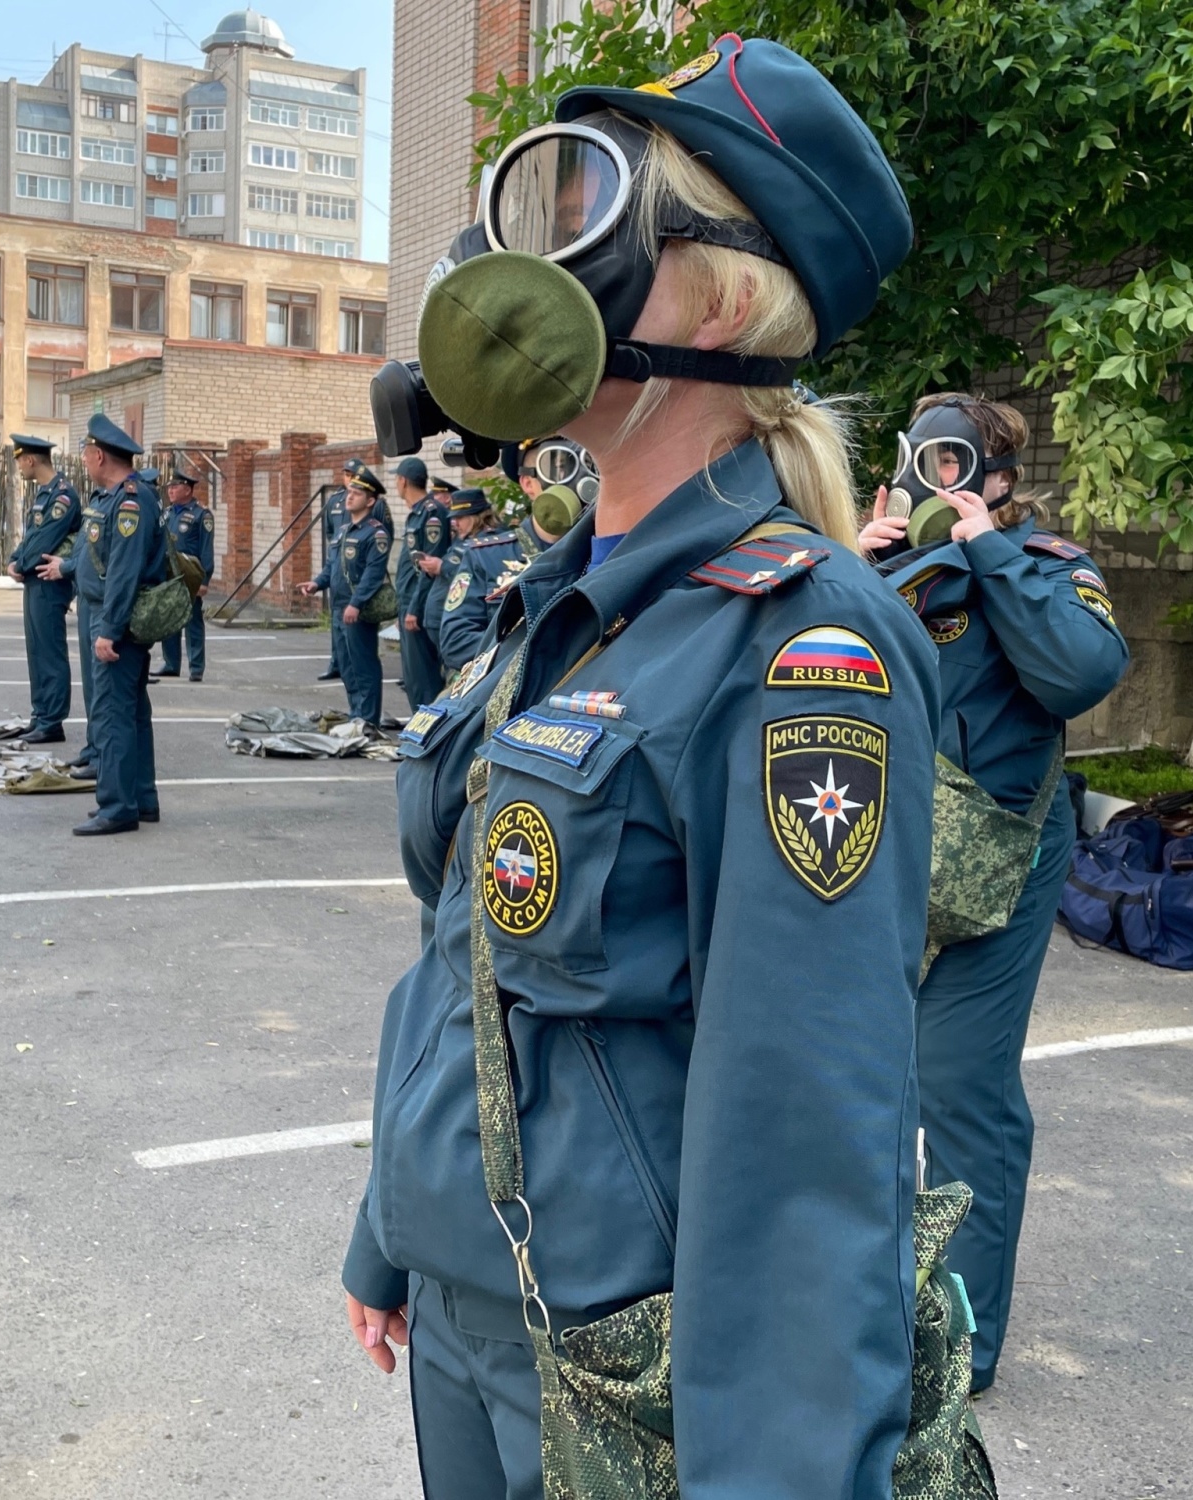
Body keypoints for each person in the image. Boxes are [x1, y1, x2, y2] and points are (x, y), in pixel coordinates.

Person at [341, 37, 946, 1496]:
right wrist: (394, 1222)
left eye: (595, 214)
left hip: (623, 1365)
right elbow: (461, 950)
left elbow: (807, 1143)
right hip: (471, 1311)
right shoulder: (555, 601)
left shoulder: (805, 647)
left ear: (729, 295)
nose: (534, 262)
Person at [861, 392, 1130, 1393]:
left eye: (951, 462)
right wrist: (852, 568)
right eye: (915, 458)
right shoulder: (871, 565)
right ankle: (865, 1297)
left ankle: (956, 1344)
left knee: (959, 1086)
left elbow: (1077, 672)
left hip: (994, 865)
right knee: (852, 1083)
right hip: (867, 859)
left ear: (996, 480)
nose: (929, 478)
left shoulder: (1044, 567)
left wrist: (986, 554)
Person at [67, 415, 165, 834]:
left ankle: (117, 806)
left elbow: (123, 573)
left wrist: (109, 629)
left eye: (87, 453)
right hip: (113, 617)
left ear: (99, 454)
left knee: (112, 715)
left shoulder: (129, 502)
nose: (85, 460)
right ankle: (140, 798)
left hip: (115, 623)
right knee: (131, 712)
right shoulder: (120, 497)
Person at [301, 469, 391, 727]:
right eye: (349, 492)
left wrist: (356, 604)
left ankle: (368, 721)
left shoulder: (375, 533)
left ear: (370, 501)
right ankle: (356, 715)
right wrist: (316, 583)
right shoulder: (342, 531)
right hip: (339, 609)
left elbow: (373, 575)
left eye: (357, 493)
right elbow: (333, 567)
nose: (349, 497)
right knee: (347, 667)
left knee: (363, 666)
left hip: (357, 611)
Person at [7, 435, 81, 746]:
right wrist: (15, 559)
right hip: (35, 579)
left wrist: (20, 564)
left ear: (31, 460)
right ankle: (40, 714)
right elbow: (32, 534)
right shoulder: (44, 495)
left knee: (50, 651)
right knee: (36, 650)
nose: (19, 467)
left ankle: (52, 721)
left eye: (20, 461)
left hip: (51, 581)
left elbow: (44, 540)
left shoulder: (63, 496)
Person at [432, 488, 526, 671]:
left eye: (459, 518)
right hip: (459, 641)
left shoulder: (490, 547)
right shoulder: (466, 541)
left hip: (482, 661)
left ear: (475, 517)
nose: (454, 523)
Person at [392, 457, 450, 712]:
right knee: (413, 676)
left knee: (423, 676)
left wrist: (414, 608)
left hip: (421, 605)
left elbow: (427, 568)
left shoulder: (432, 513)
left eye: (397, 479)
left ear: (403, 481)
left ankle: (426, 734)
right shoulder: (416, 514)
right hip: (408, 602)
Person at [156, 469, 214, 682]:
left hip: (190, 574)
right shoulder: (168, 513)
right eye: (169, 487)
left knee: (192, 621)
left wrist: (204, 580)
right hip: (169, 573)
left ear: (188, 489)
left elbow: (206, 550)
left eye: (175, 486)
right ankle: (171, 664)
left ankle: (196, 667)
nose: (170, 490)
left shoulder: (201, 515)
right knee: (169, 619)